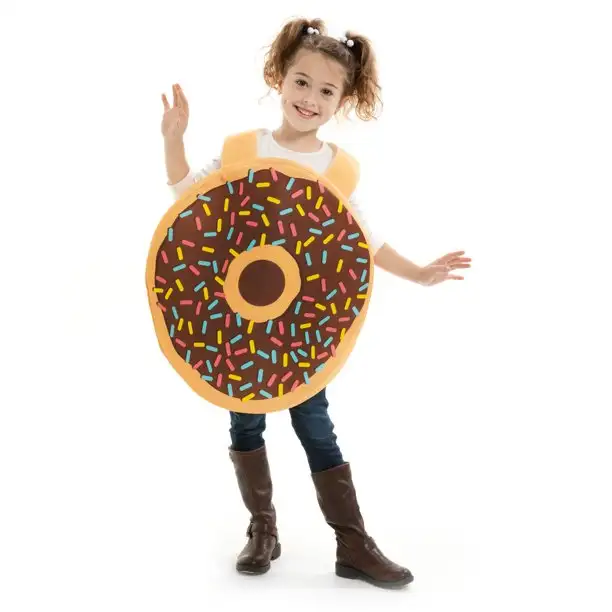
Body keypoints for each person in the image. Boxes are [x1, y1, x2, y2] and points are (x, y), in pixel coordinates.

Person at [161, 16, 471, 589]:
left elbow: (363, 241)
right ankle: (263, 528)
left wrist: (420, 273)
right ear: (279, 78)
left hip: (299, 329)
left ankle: (352, 544)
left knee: (315, 423)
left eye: (326, 91)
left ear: (342, 102)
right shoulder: (241, 150)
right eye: (301, 83)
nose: (310, 98)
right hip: (240, 321)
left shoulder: (338, 169)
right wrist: (174, 141)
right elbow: (188, 202)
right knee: (246, 421)